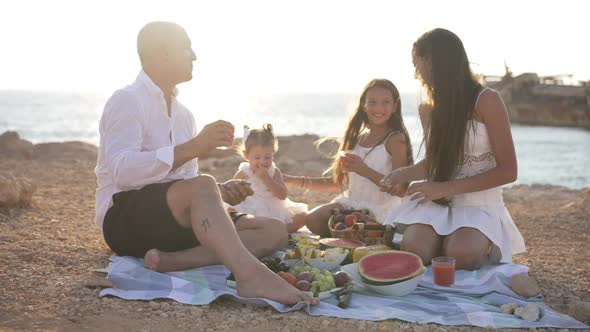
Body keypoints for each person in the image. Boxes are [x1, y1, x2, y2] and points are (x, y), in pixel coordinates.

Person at [94, 21, 316, 305]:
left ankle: (175, 260)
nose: (194, 55)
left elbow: (186, 181)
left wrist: (219, 192)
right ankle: (250, 275)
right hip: (126, 220)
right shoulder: (126, 100)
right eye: (186, 47)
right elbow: (122, 172)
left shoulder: (184, 115)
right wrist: (195, 147)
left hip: (172, 224)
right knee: (203, 185)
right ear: (162, 52)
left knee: (274, 230)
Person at [379, 28, 526, 270]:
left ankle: (461, 240)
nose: (416, 75)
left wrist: (444, 188)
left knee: (462, 255)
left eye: (418, 64)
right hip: (439, 200)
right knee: (414, 249)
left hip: (479, 204)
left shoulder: (487, 100)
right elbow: (436, 163)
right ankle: (441, 238)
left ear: (435, 62)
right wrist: (403, 174)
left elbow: (508, 171)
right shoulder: (428, 109)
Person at [284, 79, 413, 237]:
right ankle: (343, 239)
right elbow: (339, 182)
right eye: (372, 102)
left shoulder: (395, 140)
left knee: (357, 229)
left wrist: (364, 170)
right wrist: (292, 180)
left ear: (394, 106)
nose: (379, 108)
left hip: (380, 211)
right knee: (312, 219)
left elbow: (399, 190)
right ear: (364, 105)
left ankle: (348, 238)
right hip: (350, 206)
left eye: (385, 102)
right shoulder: (357, 139)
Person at [230, 124, 308, 233]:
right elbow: (232, 192)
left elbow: (282, 195)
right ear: (246, 155)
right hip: (250, 207)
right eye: (257, 157)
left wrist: (267, 179)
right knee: (230, 212)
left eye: (267, 157)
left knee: (303, 217)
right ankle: (261, 230)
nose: (263, 161)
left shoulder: (274, 171)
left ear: (273, 154)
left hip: (273, 208)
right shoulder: (244, 171)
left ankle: (278, 230)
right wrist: (242, 189)